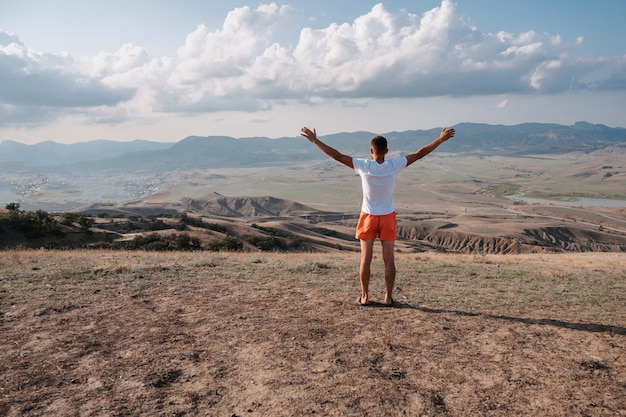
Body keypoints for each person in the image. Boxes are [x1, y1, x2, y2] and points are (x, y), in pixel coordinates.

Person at [300, 126, 456, 306]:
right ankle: (388, 298)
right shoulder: (394, 165)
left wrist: (315, 140)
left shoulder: (363, 166)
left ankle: (365, 297)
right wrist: (439, 140)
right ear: (387, 151)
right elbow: (419, 154)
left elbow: (337, 156)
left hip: (368, 217)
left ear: (371, 151)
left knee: (365, 258)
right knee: (389, 259)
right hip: (388, 217)